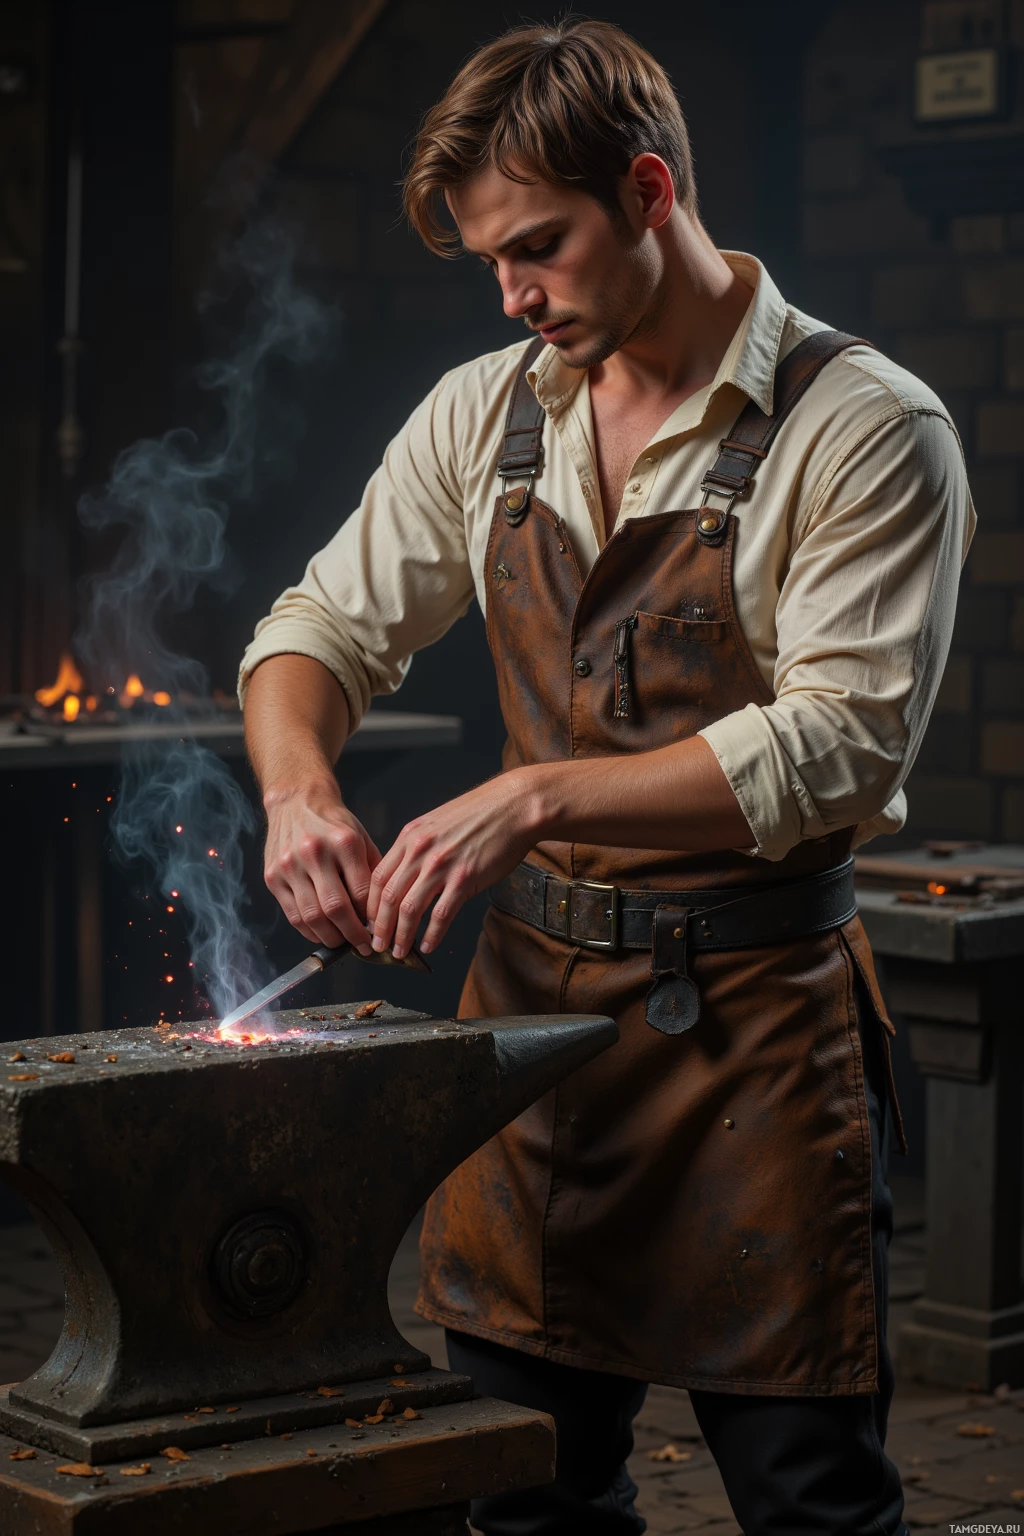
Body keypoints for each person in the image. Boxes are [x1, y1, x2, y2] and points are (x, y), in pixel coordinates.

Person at [239, 20, 974, 1534]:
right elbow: (317, 627)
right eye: (487, 265)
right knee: (523, 1498)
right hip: (529, 1052)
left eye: (537, 249)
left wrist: (537, 795)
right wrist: (298, 789)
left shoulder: (867, 430)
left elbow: (842, 740)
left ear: (650, 191)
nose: (511, 296)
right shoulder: (487, 414)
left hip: (757, 1044)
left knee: (808, 1500)